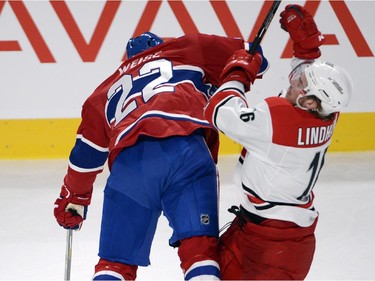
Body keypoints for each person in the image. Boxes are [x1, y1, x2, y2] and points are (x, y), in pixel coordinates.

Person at [53, 31, 268, 280]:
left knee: (114, 264)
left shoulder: (104, 91)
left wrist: (74, 199)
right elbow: (257, 58)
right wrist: (225, 78)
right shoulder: (188, 48)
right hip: (188, 153)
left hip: (131, 167)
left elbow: (85, 156)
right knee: (200, 253)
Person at [204, 4, 353, 280]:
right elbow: (307, 84)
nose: (293, 81)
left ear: (308, 101)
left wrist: (238, 73)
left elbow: (220, 113)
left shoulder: (279, 118)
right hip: (272, 236)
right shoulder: (327, 113)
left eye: (300, 83)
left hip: (272, 252)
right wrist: (307, 51)